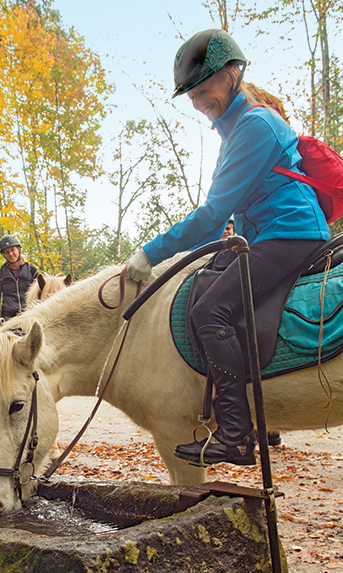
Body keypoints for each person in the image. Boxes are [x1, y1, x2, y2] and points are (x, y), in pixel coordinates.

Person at [125, 28, 330, 467]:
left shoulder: (255, 125)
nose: (199, 101)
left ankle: (237, 434)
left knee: (208, 312)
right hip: (268, 233)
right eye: (192, 94)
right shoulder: (235, 127)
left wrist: (152, 253)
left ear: (233, 74)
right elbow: (232, 212)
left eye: (204, 89)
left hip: (290, 233)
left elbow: (212, 213)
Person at [0, 235, 38, 322]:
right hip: (8, 318)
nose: (11, 254)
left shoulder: (32, 271)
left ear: (19, 249)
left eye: (13, 250)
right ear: (4, 255)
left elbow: (40, 294)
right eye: (7, 252)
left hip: (29, 315)